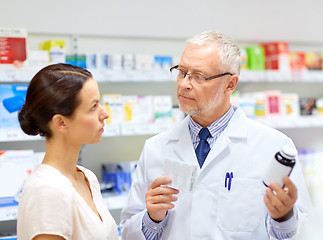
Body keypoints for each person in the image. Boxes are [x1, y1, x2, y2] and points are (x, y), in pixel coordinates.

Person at [120, 30, 312, 239]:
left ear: (230, 84)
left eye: (199, 76)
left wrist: (284, 218)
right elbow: (128, 230)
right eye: (182, 71)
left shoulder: (274, 147)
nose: (184, 83)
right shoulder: (155, 148)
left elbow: (305, 232)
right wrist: (152, 218)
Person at [17, 63, 118, 240]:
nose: (105, 114)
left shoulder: (87, 177)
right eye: (93, 107)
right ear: (61, 123)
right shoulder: (47, 190)